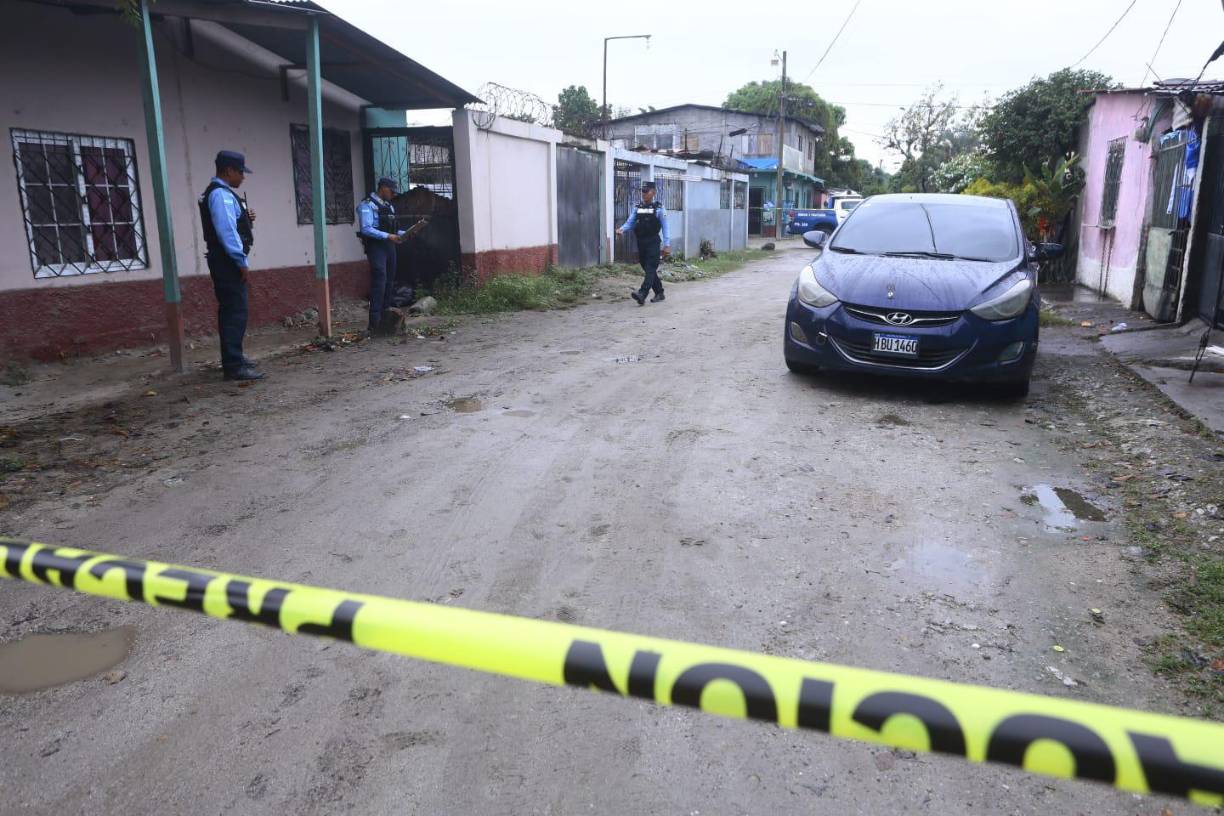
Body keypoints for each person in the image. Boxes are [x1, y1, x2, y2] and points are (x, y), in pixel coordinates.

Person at [199, 150, 262, 381]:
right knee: (235, 312)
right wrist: (240, 261)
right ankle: (234, 365)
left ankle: (235, 358)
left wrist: (246, 217)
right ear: (229, 171)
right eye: (240, 173)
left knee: (233, 311)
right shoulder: (221, 195)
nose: (242, 178)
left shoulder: (220, 194)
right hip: (227, 261)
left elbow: (232, 223)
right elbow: (227, 231)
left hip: (224, 260)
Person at [356, 177, 405, 335]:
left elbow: (393, 228)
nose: (392, 194)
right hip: (376, 247)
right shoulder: (366, 205)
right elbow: (366, 229)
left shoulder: (389, 206)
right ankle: (374, 323)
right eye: (391, 191)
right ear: (383, 188)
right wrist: (387, 236)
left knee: (390, 281)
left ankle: (386, 320)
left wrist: (407, 233)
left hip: (390, 246)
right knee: (380, 281)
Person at [616, 181, 671, 305]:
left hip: (653, 241)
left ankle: (642, 293)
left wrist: (667, 244)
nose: (644, 194)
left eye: (647, 191)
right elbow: (630, 222)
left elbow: (666, 227)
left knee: (651, 267)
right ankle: (659, 292)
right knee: (647, 268)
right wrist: (622, 230)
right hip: (641, 241)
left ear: (654, 192)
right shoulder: (638, 207)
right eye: (643, 191)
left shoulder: (659, 209)